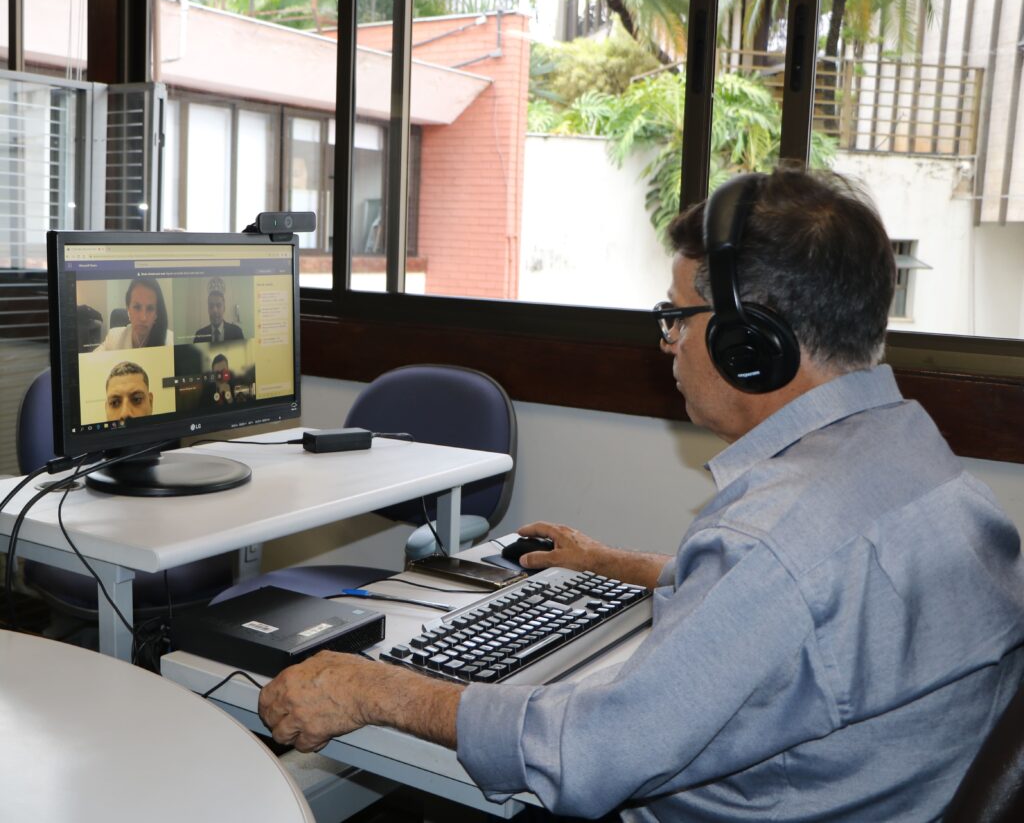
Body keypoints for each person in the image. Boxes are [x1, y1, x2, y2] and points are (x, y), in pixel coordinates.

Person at [258, 166, 1024, 821]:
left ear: (747, 343)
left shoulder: (773, 541)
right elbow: (818, 614)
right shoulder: (918, 463)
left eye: (676, 318)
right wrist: (608, 561)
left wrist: (381, 688)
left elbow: (589, 753)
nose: (668, 344)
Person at [95, 278, 174, 350]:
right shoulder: (114, 339)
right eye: (137, 307)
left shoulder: (171, 342)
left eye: (150, 309)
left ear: (157, 313)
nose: (143, 318)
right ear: (128, 308)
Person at [193, 277, 244, 344]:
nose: (215, 310)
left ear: (224, 308)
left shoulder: (237, 332)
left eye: (219, 305)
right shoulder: (199, 335)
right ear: (208, 309)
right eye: (211, 306)